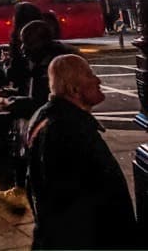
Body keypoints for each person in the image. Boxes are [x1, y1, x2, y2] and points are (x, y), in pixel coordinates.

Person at [25, 54, 139, 250]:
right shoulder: (67, 131)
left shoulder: (53, 118)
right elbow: (81, 204)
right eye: (89, 74)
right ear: (74, 89)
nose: (98, 80)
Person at [0, 19, 76, 211]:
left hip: (54, 132)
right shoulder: (45, 60)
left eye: (26, 42)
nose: (23, 48)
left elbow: (42, 103)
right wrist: (11, 96)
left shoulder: (50, 67)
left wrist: (9, 103)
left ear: (39, 42)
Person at [0, 2, 44, 209]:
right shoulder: (43, 39)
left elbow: (16, 74)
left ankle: (20, 190)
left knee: (22, 147)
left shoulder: (23, 42)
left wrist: (6, 65)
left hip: (29, 101)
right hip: (35, 99)